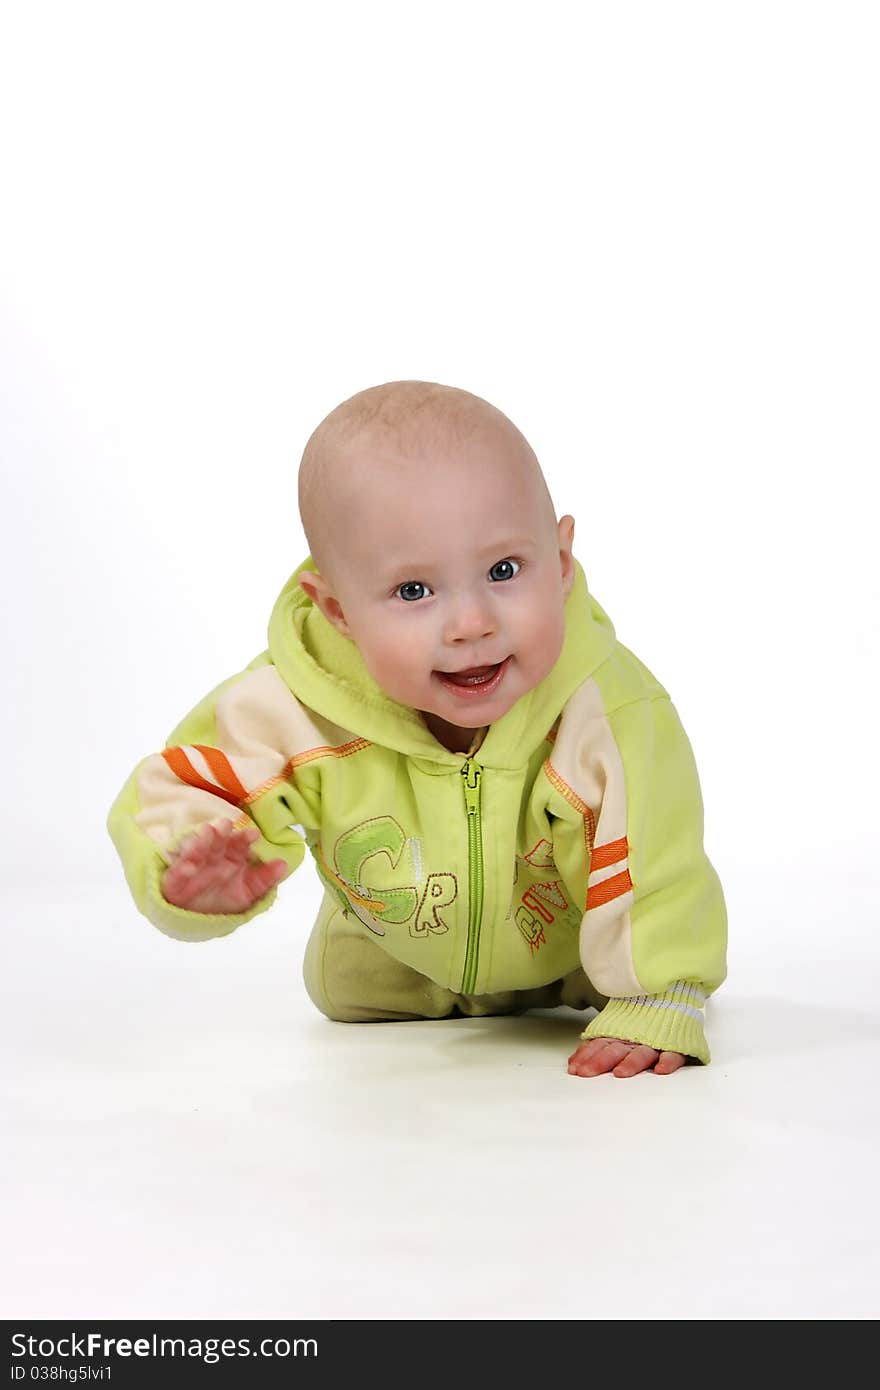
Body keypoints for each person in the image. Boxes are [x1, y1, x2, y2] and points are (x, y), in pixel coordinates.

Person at [107, 380, 727, 1078]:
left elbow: (655, 851)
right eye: (413, 591)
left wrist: (658, 991)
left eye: (503, 570)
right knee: (347, 990)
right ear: (337, 610)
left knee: (640, 897)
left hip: (575, 966)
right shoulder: (294, 705)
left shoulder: (600, 707)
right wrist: (187, 869)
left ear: (560, 566)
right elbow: (188, 782)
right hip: (393, 970)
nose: (471, 624)